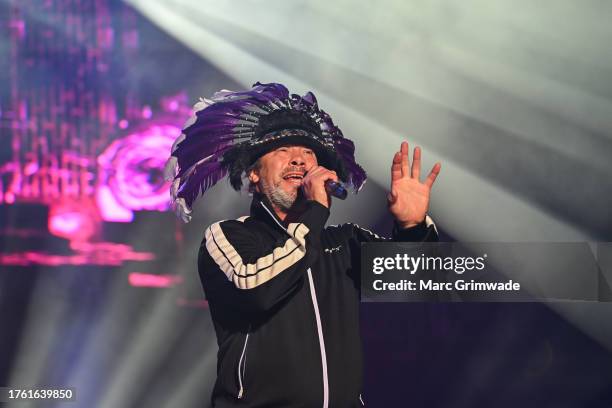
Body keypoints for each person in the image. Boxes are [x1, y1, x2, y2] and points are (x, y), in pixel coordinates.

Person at [164, 82, 441, 407]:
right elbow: (256, 289)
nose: (298, 160)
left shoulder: (344, 241)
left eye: (309, 153)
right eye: (283, 151)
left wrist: (412, 226)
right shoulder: (229, 236)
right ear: (254, 174)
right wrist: (315, 212)